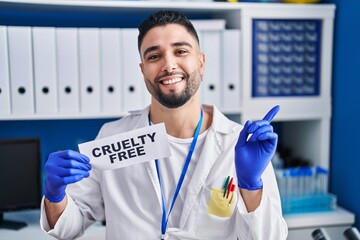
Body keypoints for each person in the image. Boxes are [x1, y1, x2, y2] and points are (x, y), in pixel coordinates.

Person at [40, 10, 288, 240]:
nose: (168, 65)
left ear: (201, 62)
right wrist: (55, 195)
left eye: (180, 51)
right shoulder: (114, 136)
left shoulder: (239, 145)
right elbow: (68, 227)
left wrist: (250, 186)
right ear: (143, 70)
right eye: (154, 56)